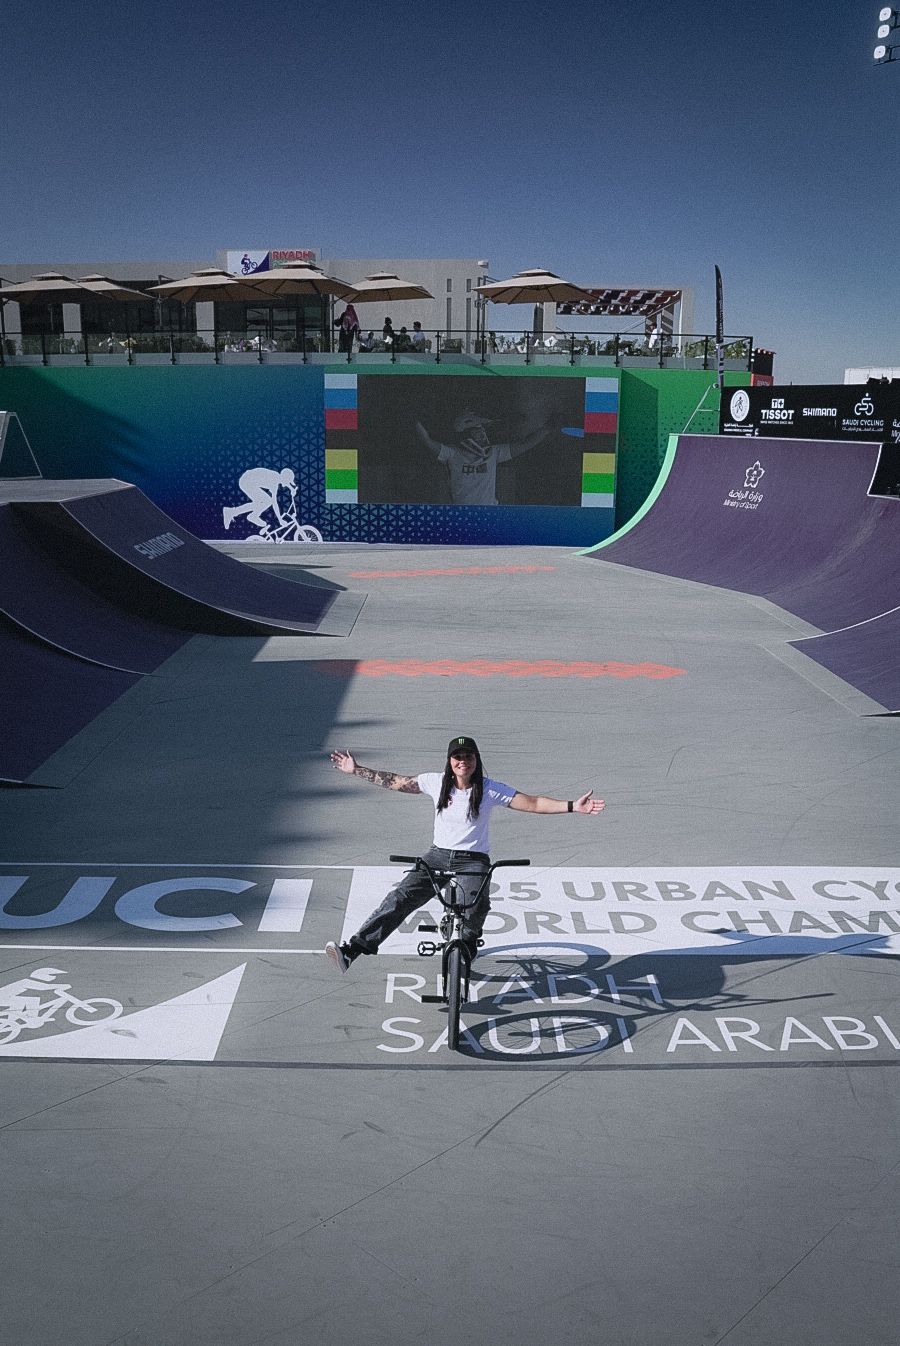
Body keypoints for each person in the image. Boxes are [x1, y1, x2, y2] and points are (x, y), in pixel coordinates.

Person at [325, 736, 604, 973]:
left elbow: (533, 802)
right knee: (399, 899)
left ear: (476, 760)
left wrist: (573, 806)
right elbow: (396, 782)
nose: (463, 762)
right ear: (449, 761)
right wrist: (356, 770)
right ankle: (352, 950)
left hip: (473, 860)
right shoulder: (434, 782)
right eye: (457, 757)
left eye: (468, 756)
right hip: (437, 856)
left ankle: (468, 944)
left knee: (476, 905)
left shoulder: (490, 789)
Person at [414, 409, 551, 506]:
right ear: (466, 436)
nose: (483, 435)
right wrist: (414, 419)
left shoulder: (493, 452)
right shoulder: (451, 453)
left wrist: (548, 428)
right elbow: (427, 440)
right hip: (461, 513)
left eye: (483, 432)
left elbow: (525, 444)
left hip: (489, 514)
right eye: (478, 432)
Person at [223, 466, 296, 538]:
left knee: (262, 502)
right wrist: (280, 519)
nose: (286, 484)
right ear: (285, 478)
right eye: (288, 482)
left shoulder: (277, 477)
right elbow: (274, 503)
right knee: (268, 501)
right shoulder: (274, 481)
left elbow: (284, 480)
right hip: (247, 481)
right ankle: (250, 515)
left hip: (248, 480)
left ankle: (233, 512)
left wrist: (291, 488)